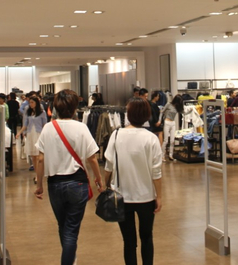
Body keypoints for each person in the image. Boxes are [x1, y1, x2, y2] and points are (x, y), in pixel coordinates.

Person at [34, 90, 103, 265]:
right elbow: (92, 158)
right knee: (71, 229)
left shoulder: (48, 128)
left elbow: (40, 159)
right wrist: (99, 179)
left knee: (63, 225)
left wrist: (39, 184)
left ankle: (70, 257)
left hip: (55, 183)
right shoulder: (81, 127)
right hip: (77, 182)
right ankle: (69, 259)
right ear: (74, 107)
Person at [104, 97, 163, 265]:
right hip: (146, 197)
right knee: (147, 237)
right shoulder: (151, 138)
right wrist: (159, 196)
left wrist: (106, 184)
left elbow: (108, 166)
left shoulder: (116, 135)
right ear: (147, 115)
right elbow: (156, 172)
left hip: (122, 197)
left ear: (128, 114)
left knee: (129, 241)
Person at [17, 95, 47, 181]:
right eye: (30, 102)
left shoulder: (42, 112)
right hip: (30, 134)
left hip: (39, 134)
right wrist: (20, 132)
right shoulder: (28, 112)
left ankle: (39, 175)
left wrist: (45, 134)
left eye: (32, 102)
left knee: (38, 156)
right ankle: (37, 174)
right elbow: (25, 124)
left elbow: (44, 124)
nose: (30, 104)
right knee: (33, 157)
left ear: (36, 103)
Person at [161, 94, 184, 162]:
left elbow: (183, 113)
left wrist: (191, 110)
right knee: (166, 140)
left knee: (172, 141)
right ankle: (162, 156)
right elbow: (162, 112)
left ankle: (171, 155)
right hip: (167, 122)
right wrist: (159, 120)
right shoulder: (168, 104)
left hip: (173, 123)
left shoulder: (178, 107)